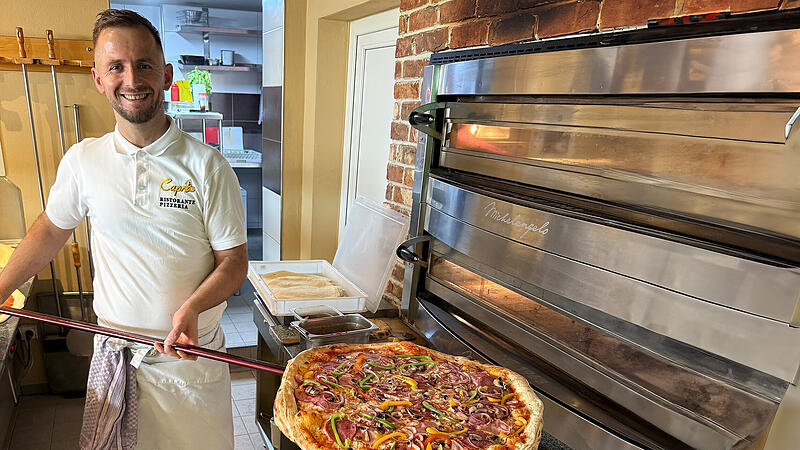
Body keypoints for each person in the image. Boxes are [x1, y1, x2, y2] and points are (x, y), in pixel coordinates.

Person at [0, 9, 247, 449]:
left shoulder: (208, 166)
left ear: (166, 73)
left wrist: (192, 306)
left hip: (188, 363)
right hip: (115, 360)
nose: (132, 78)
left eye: (144, 64)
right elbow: (49, 232)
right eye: (116, 66)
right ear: (98, 78)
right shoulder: (83, 160)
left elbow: (234, 263)